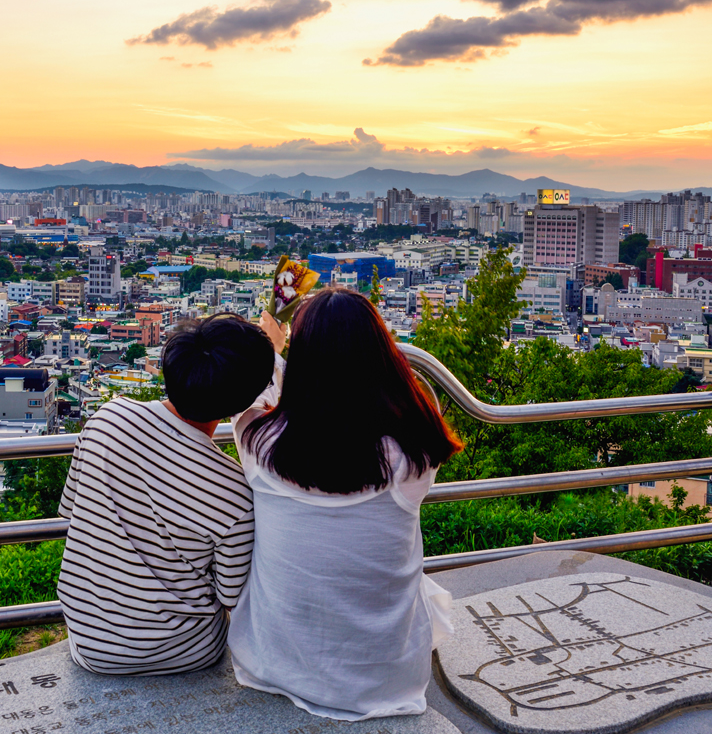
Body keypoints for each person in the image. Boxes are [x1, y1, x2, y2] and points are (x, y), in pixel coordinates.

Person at [229, 287, 463, 720]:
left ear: (302, 364)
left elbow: (265, 402)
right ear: (381, 355)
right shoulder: (412, 457)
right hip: (383, 677)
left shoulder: (256, 441)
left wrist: (278, 351)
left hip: (273, 661)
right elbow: (409, 409)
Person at [57, 312, 275, 675]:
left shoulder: (105, 421)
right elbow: (232, 595)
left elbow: (73, 512)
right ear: (240, 404)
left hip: (87, 641)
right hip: (185, 650)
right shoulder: (234, 491)